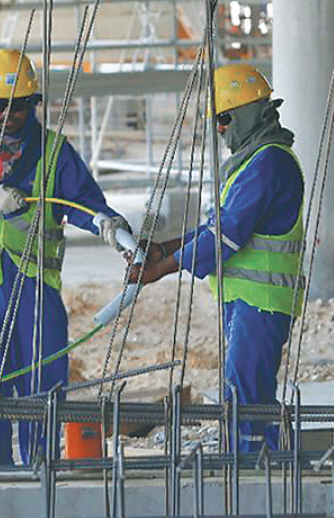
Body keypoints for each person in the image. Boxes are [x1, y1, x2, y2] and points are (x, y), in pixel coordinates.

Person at [0, 49, 130, 466]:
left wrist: (107, 223)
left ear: (32, 104)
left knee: (43, 382)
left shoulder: (54, 151)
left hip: (36, 285)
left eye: (15, 106)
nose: (5, 115)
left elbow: (85, 203)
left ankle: (40, 469)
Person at [127, 64, 304, 453]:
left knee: (247, 397)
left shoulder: (269, 164)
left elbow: (226, 237)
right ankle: (256, 467)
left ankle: (253, 479)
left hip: (262, 303)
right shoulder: (251, 162)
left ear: (246, 114)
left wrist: (162, 268)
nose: (220, 130)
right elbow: (216, 226)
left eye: (224, 119)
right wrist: (168, 247)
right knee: (247, 395)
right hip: (248, 302)